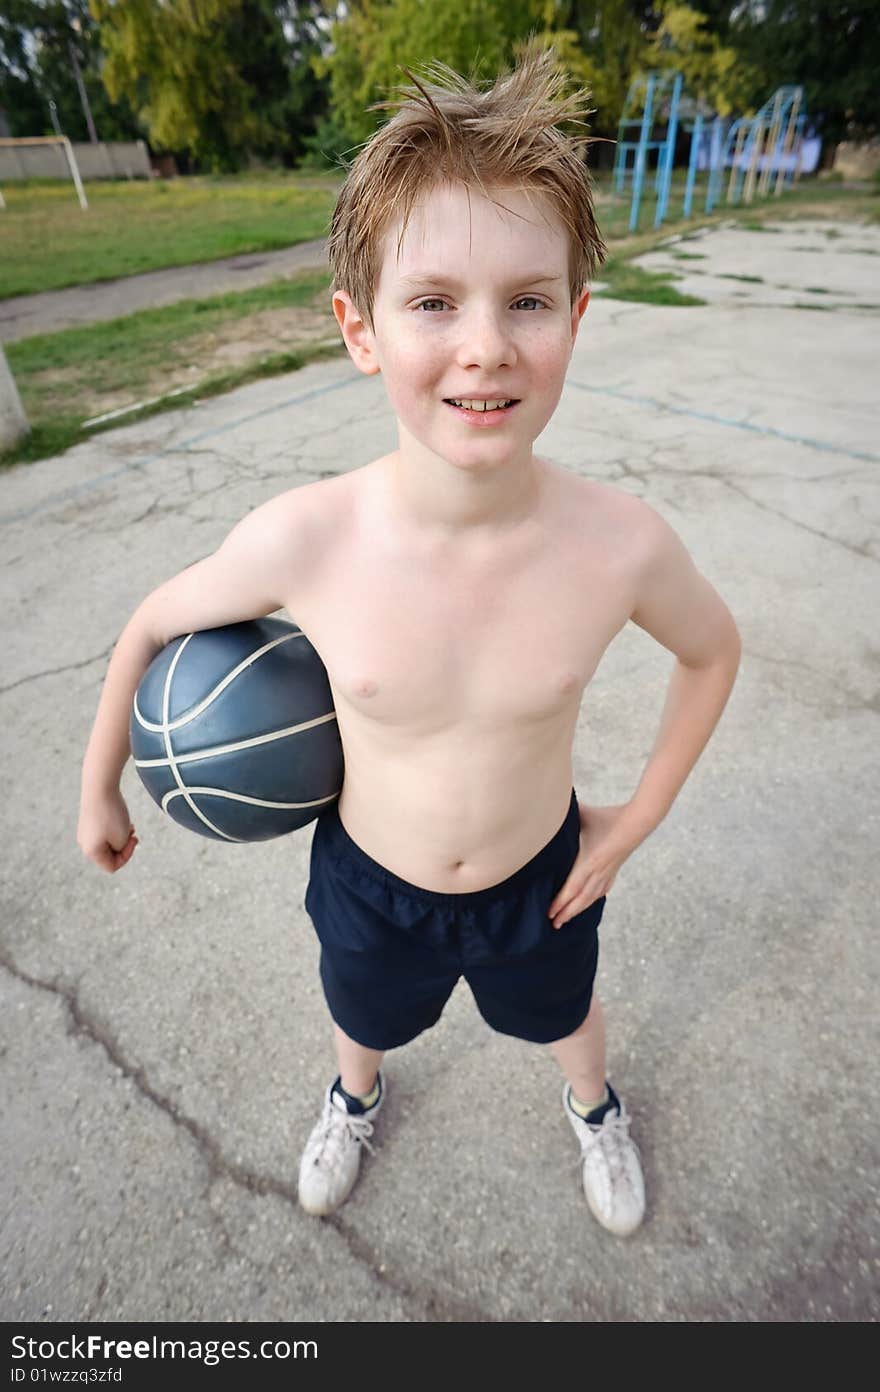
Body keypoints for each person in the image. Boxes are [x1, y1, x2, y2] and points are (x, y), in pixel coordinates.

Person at [77, 49, 741, 1239]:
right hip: (369, 880)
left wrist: (636, 819)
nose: (485, 345)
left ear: (575, 321)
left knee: (565, 1014)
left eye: (527, 300)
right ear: (359, 328)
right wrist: (100, 787)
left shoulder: (619, 545)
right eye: (433, 302)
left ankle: (593, 1108)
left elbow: (713, 652)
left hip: (540, 878)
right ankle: (352, 1095)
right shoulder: (310, 536)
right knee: (363, 1010)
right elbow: (149, 621)